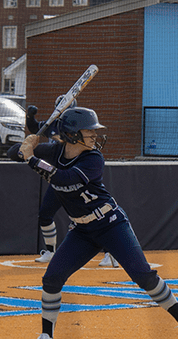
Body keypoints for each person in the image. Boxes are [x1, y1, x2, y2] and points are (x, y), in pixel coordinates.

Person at [9, 107, 178, 339]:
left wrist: (31, 158)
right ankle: (46, 336)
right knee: (52, 278)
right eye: (88, 130)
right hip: (82, 231)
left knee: (143, 276)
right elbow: (11, 152)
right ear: (71, 134)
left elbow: (65, 180)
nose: (94, 135)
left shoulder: (93, 159)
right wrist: (24, 146)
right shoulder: (55, 151)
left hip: (111, 224)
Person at [24, 99, 118, 267]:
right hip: (57, 175)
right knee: (45, 213)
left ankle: (111, 252)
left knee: (94, 216)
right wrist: (29, 120)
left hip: (78, 177)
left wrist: (33, 159)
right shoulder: (53, 125)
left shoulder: (86, 144)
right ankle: (50, 251)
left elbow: (67, 175)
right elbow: (33, 129)